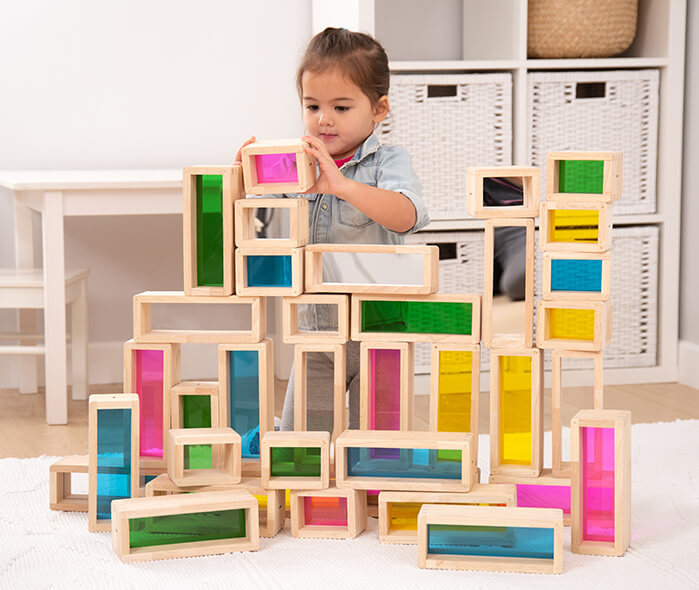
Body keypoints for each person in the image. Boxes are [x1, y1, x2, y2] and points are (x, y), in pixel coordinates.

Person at [234, 27, 429, 435]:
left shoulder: (387, 162)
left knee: (377, 449)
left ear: (379, 109)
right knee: (301, 444)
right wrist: (242, 177)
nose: (323, 119)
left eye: (341, 107)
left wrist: (343, 186)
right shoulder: (295, 164)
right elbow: (256, 218)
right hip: (316, 332)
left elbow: (407, 215)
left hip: (379, 333)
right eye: (312, 106)